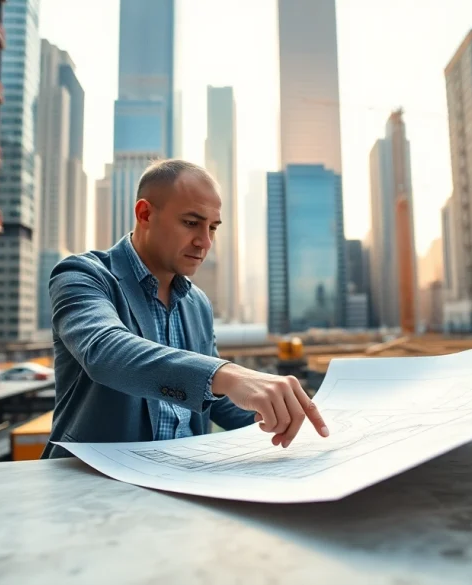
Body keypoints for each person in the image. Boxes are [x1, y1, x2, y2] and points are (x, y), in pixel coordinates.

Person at [41, 159, 328, 459]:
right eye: (191, 223)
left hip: (186, 480)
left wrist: (287, 417)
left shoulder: (198, 303)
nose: (204, 242)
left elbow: (212, 397)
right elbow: (105, 352)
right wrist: (228, 374)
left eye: (213, 228)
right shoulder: (83, 275)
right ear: (145, 214)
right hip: (96, 486)